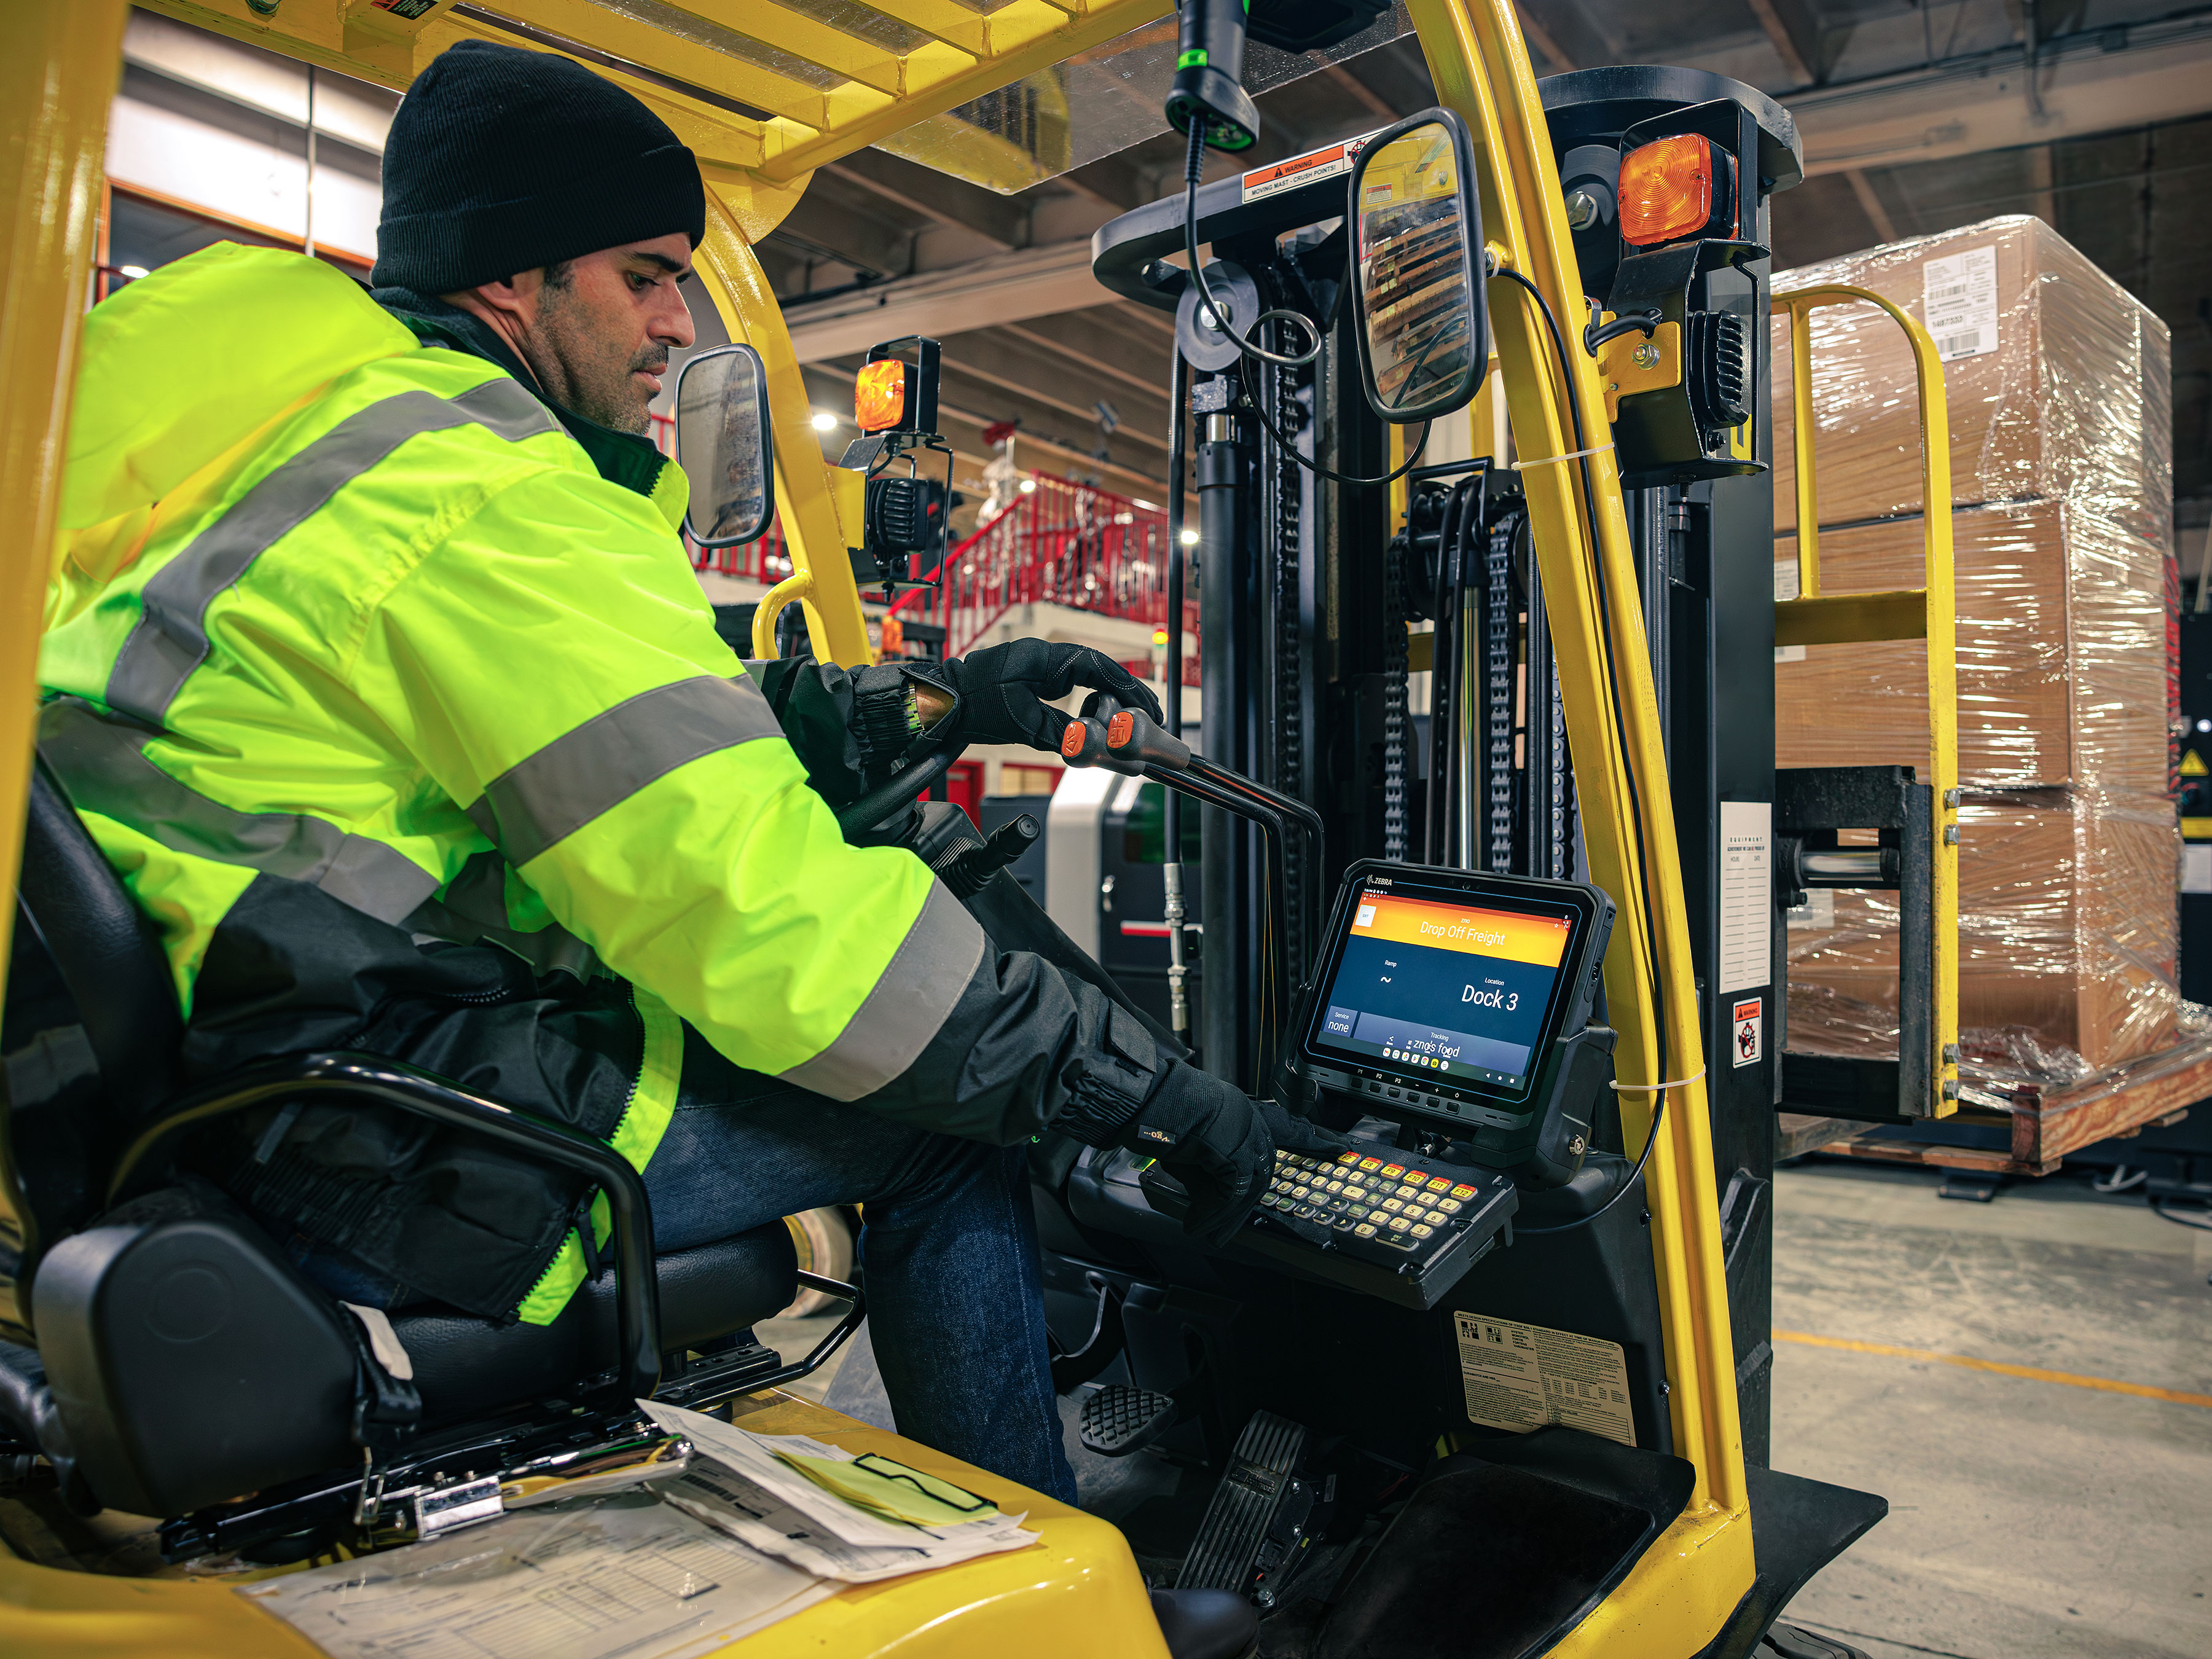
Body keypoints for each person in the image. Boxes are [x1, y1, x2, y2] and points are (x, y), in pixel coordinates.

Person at [36, 39, 1337, 1505]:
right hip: (372, 1140)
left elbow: (636, 727)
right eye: (644, 275)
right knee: (943, 1129)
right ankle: (1037, 1516)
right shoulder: (496, 503)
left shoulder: (286, 444)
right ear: (515, 277)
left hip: (226, 1067)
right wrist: (1166, 1102)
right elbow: (790, 942)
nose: (672, 326)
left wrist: (950, 697)